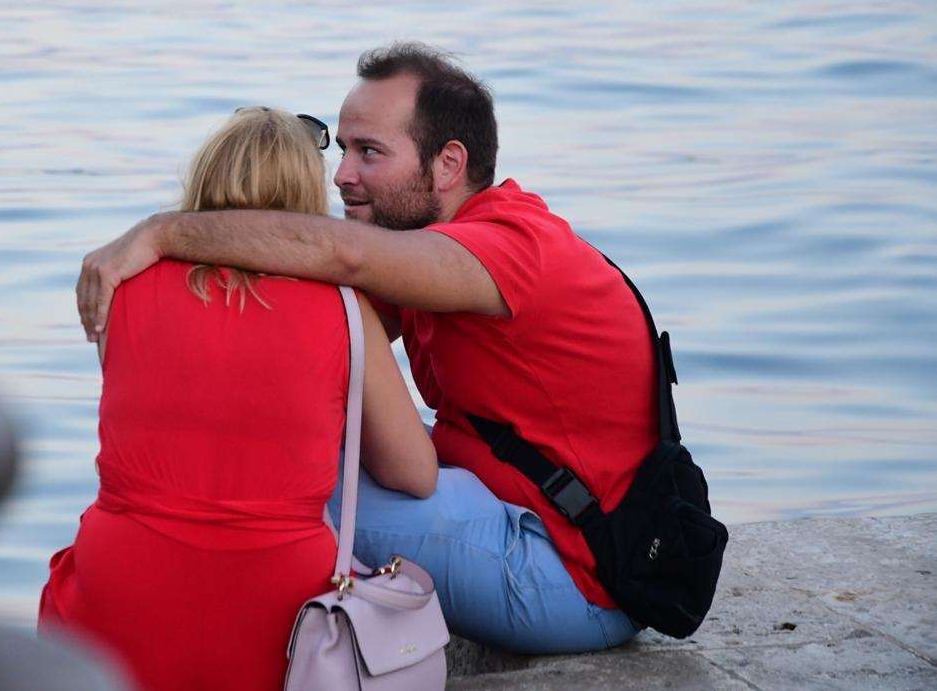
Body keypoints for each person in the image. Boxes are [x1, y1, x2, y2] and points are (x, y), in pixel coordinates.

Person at [76, 42, 652, 653]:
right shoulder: (423, 252)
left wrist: (163, 233)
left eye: (369, 152)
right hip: (515, 524)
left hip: (573, 576)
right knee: (251, 442)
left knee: (279, 482)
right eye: (343, 149)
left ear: (448, 164)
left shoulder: (507, 246)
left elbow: (340, 256)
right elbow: (275, 343)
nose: (342, 175)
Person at [40, 106, 437, 691]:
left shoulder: (121, 290)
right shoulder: (347, 311)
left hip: (122, 602)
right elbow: (415, 474)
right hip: (279, 619)